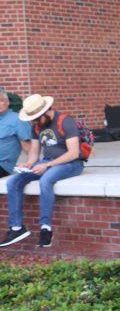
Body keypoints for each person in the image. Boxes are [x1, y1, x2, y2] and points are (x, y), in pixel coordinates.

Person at [0, 94, 85, 249]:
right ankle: (17, 228)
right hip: (48, 162)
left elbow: (73, 153)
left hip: (71, 163)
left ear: (46, 111)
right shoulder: (37, 126)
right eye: (33, 119)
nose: (35, 122)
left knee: (46, 180)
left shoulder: (65, 121)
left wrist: (47, 165)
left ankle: (45, 228)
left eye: (37, 118)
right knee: (13, 181)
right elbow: (34, 151)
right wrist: (29, 163)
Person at [0, 87, 31, 178]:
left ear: (8, 102)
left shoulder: (18, 119)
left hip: (3, 166)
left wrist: (30, 164)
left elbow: (29, 147)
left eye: (1, 100)